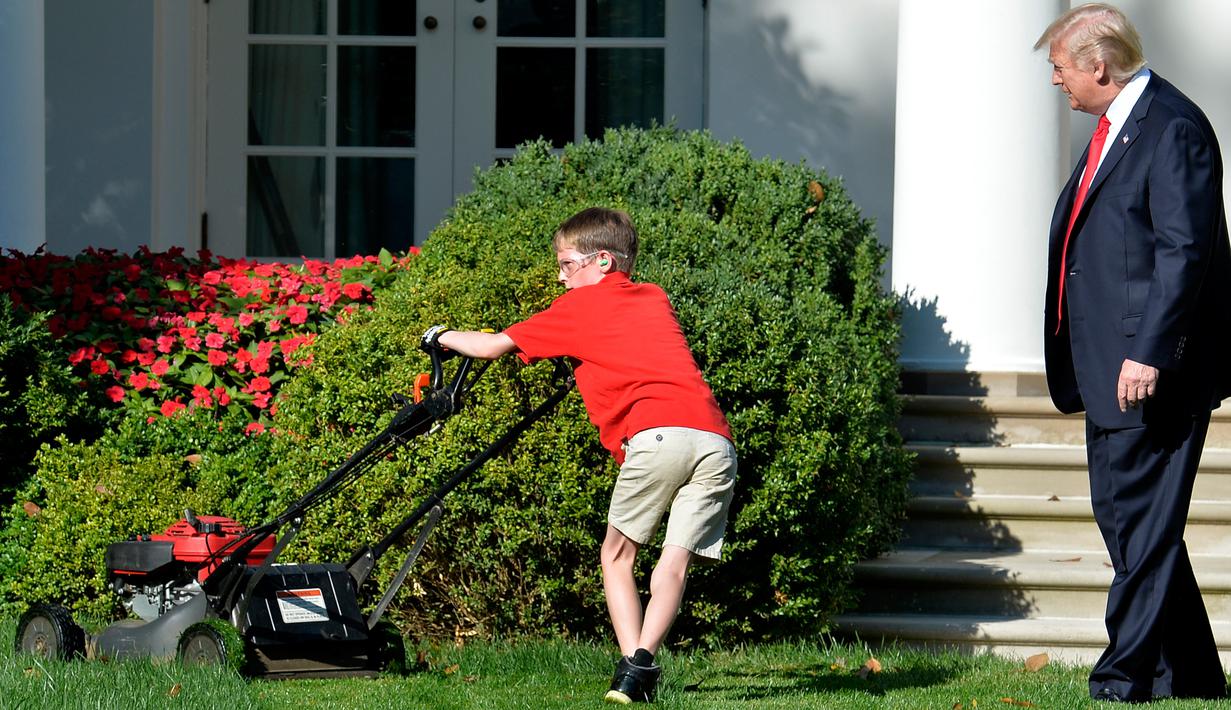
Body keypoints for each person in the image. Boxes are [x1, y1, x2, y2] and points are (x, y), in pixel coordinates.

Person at [421, 207, 737, 704]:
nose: (561, 276)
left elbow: (491, 347)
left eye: (567, 264)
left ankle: (631, 668)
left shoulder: (580, 306)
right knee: (674, 563)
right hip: (716, 442)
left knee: (617, 555)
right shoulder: (655, 297)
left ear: (602, 261)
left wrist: (438, 336)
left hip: (656, 434)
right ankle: (641, 666)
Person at [1036, 3, 1231, 702]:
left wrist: (1149, 353)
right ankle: (1193, 676)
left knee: (1139, 528)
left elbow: (1184, 252)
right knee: (1132, 523)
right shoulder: (1115, 128)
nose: (1055, 80)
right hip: (1106, 363)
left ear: (1098, 65)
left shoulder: (1171, 127)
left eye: (1060, 67)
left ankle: (1122, 679)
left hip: (1148, 370)